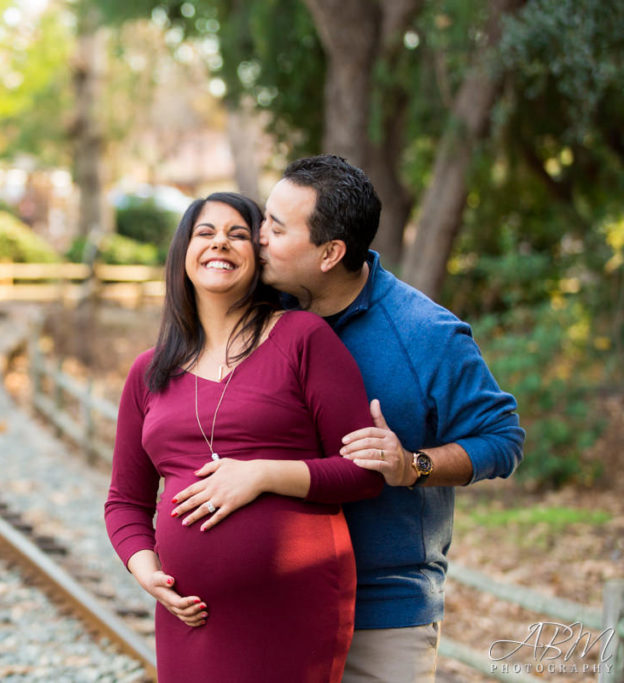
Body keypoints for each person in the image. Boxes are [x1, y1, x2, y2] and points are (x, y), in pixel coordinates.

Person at [171, 156, 525, 682]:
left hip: (381, 610)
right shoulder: (261, 310)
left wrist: (413, 464)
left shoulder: (424, 334)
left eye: (276, 228)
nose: (258, 237)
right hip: (274, 603)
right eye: (264, 219)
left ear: (330, 253)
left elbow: (503, 439)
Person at [104, 191, 384, 683]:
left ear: (258, 257)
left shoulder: (303, 338)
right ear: (183, 254)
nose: (221, 244)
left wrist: (261, 476)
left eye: (238, 235)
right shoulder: (149, 372)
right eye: (205, 233)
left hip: (293, 605)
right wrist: (145, 571)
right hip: (190, 614)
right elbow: (125, 500)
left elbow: (363, 473)